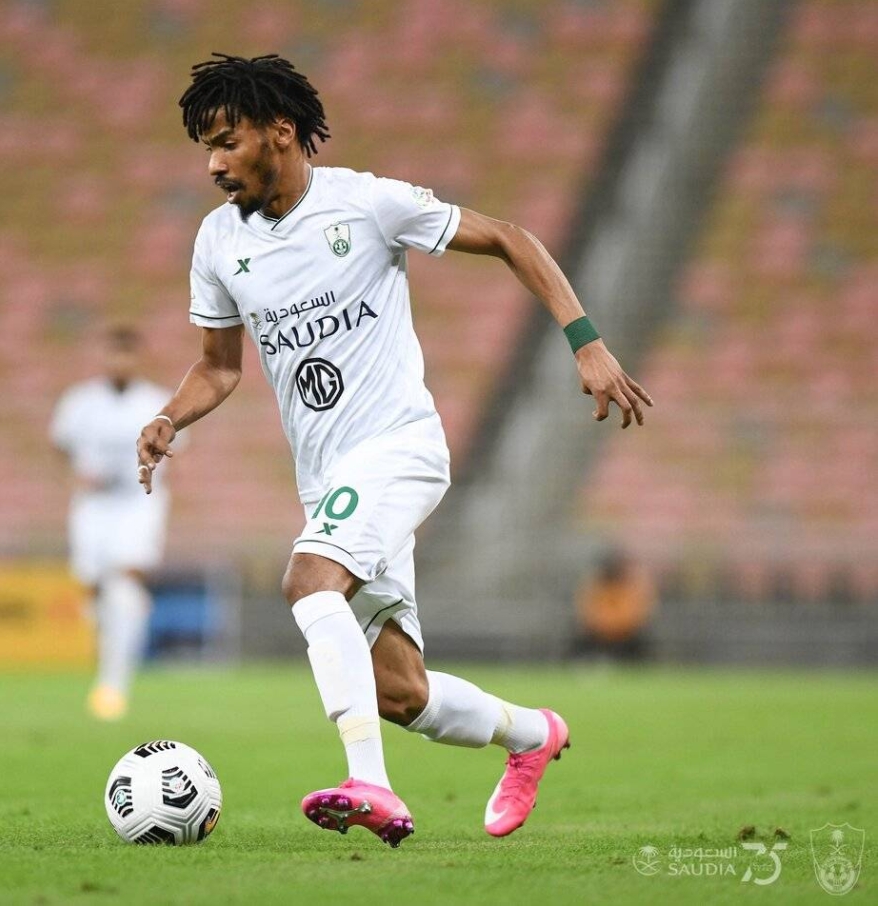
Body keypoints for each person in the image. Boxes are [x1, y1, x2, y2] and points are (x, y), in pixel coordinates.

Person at [136, 54, 653, 846]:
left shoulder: (367, 204)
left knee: (308, 580)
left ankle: (369, 785)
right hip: (327, 479)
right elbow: (219, 367)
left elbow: (509, 238)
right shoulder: (217, 242)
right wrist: (171, 417)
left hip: (399, 448)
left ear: (280, 132)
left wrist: (585, 342)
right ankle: (532, 735)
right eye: (206, 149)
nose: (212, 165)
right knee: (401, 695)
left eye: (226, 143)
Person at [51, 325, 175, 721]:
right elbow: (60, 445)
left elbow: (176, 448)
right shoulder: (80, 402)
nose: (120, 362)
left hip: (138, 504)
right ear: (104, 357)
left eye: (127, 354)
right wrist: (76, 476)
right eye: (114, 354)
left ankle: (113, 685)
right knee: (96, 592)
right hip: (92, 507)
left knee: (125, 582)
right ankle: (114, 653)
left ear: (137, 359)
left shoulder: (155, 402)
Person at [572, 549, 657, 661]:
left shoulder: (632, 585)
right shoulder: (595, 586)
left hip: (627, 633)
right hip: (597, 632)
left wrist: (617, 627)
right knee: (577, 639)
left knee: (641, 643)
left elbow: (636, 613)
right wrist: (603, 627)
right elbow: (587, 611)